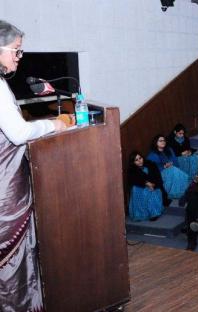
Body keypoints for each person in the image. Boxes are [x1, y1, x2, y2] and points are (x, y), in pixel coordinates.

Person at [0, 20, 67, 311]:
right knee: (14, 264)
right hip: (5, 191)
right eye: (16, 51)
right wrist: (55, 123)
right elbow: (18, 134)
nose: (19, 57)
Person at [147, 135, 189, 199]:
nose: (163, 142)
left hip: (172, 169)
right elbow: (151, 169)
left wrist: (171, 164)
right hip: (160, 173)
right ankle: (176, 193)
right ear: (155, 142)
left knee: (175, 170)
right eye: (160, 141)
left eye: (164, 140)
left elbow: (175, 161)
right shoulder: (152, 154)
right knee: (173, 170)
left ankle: (183, 192)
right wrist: (164, 166)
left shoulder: (169, 149)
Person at [128, 152, 164, 222]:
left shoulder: (151, 165)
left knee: (149, 191)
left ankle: (154, 213)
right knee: (135, 188)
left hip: (154, 188)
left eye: (140, 158)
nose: (139, 161)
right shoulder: (132, 170)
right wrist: (146, 183)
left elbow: (158, 178)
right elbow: (134, 180)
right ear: (133, 162)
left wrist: (153, 185)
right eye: (136, 160)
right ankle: (140, 213)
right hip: (142, 189)